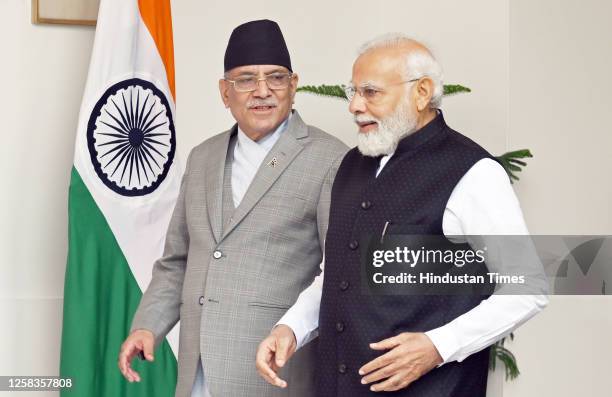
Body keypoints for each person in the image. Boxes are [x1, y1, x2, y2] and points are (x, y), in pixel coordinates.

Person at [256, 34, 548, 396]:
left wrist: (438, 347)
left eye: (371, 92)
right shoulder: (351, 165)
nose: (355, 106)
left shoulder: (474, 172)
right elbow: (337, 274)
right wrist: (291, 328)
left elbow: (528, 288)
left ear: (422, 92)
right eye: (353, 92)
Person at [118, 19, 347, 397]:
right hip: (196, 372)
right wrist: (148, 325)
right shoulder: (202, 157)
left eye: (276, 78)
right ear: (225, 93)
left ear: (294, 85)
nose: (262, 91)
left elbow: (338, 271)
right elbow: (179, 259)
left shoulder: (330, 158)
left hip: (273, 373)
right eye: (246, 80)